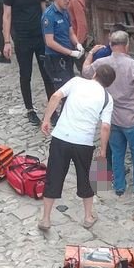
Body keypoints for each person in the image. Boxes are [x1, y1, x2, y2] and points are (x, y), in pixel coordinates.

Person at [39, 65, 115, 231]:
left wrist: (46, 119)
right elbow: (105, 127)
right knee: (87, 178)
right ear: (109, 84)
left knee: (53, 176)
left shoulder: (76, 81)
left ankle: (45, 219)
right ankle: (87, 217)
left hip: (61, 137)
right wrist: (103, 151)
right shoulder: (107, 98)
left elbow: (55, 96)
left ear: (95, 74)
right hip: (84, 142)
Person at [83, 32, 134, 197]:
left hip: (111, 117)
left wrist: (91, 53)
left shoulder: (101, 63)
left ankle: (119, 186)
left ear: (110, 44)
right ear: (127, 45)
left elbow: (85, 71)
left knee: (117, 153)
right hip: (131, 118)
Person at [2, 0, 49, 126]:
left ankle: (52, 108)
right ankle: (30, 109)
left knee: (47, 73)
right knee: (25, 74)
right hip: (22, 38)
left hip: (40, 37)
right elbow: (7, 16)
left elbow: (44, 11)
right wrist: (7, 41)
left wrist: (49, 33)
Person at [41, 0, 85, 92]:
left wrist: (77, 44)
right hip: (55, 59)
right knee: (64, 91)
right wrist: (70, 52)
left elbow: (70, 32)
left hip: (66, 57)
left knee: (71, 86)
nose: (67, 0)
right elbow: (50, 42)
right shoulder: (49, 16)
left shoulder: (65, 12)